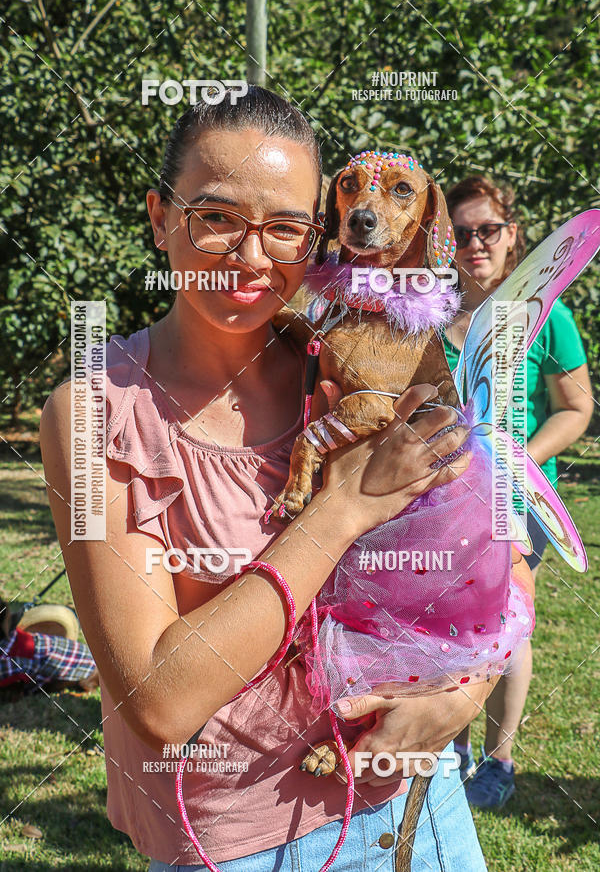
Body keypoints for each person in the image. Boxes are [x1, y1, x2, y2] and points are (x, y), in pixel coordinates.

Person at [40, 88, 533, 871]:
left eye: (285, 227)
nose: (250, 255)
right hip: (239, 840)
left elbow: (495, 556)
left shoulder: (354, 364)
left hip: (415, 803)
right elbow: (161, 701)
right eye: (216, 215)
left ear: (320, 236)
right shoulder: (93, 413)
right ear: (161, 215)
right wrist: (340, 512)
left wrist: (461, 699)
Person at [443, 175, 593, 810]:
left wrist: (515, 461)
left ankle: (498, 762)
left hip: (513, 499)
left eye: (489, 230)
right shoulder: (426, 311)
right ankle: (449, 745)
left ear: (514, 237)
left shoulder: (546, 317)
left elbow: (577, 408)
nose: (476, 243)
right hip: (436, 501)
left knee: (509, 628)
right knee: (441, 625)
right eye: (461, 232)